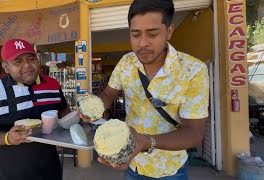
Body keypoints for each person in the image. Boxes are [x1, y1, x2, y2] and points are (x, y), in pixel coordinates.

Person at [81, 0, 209, 179]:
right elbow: (109, 93)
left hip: (170, 170)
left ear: (169, 31)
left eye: (152, 34)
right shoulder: (126, 63)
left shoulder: (193, 70)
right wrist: (95, 107)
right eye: (135, 34)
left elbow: (194, 133)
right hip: (132, 166)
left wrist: (147, 142)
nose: (142, 43)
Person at [0, 38, 70, 180]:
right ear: (6, 67)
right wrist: (7, 138)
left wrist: (78, 117)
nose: (27, 65)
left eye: (31, 59)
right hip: (5, 174)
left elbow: (63, 112)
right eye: (18, 61)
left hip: (50, 171)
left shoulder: (53, 85)